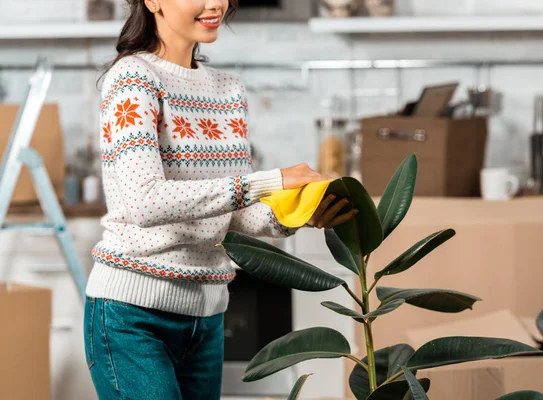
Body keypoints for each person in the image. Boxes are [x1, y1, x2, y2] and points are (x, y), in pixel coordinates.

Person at [83, 1, 357, 399]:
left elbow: (235, 214)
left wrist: (299, 214)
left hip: (207, 315)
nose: (215, 4)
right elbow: (145, 202)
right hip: (131, 317)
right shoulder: (132, 79)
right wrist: (272, 179)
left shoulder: (228, 90)